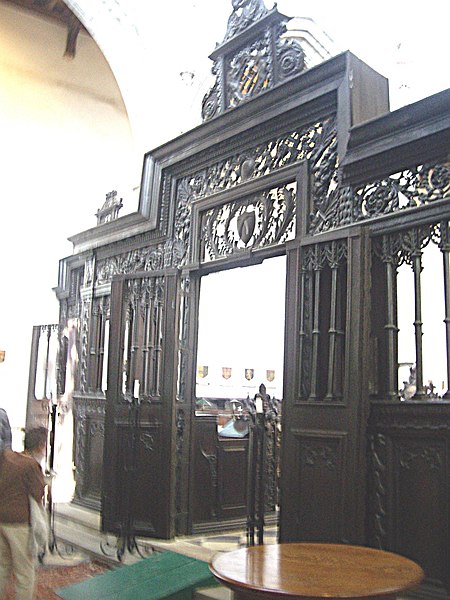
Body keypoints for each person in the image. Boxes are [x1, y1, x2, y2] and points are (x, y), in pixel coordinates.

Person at [0, 415, 45, 600]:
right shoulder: (31, 465)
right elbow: (37, 493)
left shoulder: (8, 458)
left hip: (2, 518)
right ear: (41, 446)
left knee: (2, 567)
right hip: (20, 522)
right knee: (24, 573)